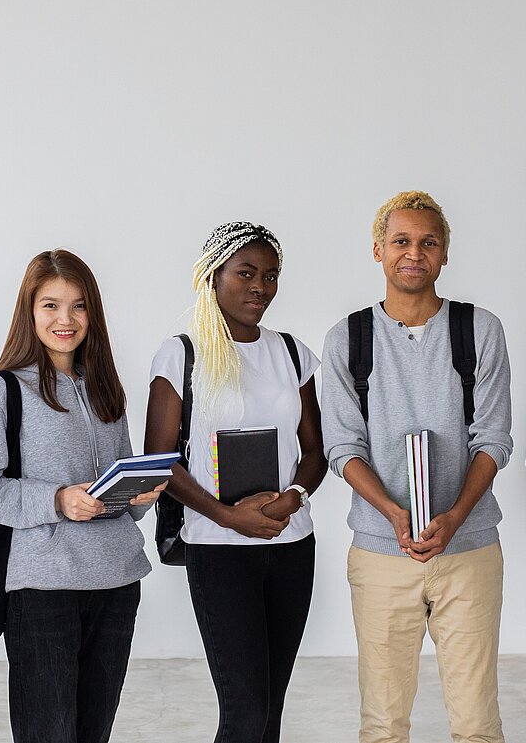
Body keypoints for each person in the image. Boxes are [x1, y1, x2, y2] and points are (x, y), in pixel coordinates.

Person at [320, 191, 512, 743]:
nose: (414, 253)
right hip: (381, 552)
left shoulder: (479, 330)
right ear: (377, 250)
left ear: (445, 253)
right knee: (383, 723)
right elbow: (343, 447)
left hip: (469, 549)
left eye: (428, 242)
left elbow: (493, 439)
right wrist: (392, 513)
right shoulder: (348, 339)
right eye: (400, 241)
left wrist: (454, 517)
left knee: (477, 723)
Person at [0, 249, 166, 743]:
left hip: (117, 581)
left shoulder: (105, 389)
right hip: (42, 588)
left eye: (78, 306)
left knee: (94, 732)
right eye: (50, 305)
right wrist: (56, 499)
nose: (65, 320)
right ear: (29, 312)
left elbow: (116, 483)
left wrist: (138, 497)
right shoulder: (5, 389)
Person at [143, 222, 326, 743]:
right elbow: (158, 460)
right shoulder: (182, 354)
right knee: (244, 715)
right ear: (212, 276)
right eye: (245, 273)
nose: (260, 287)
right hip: (219, 550)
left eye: (270, 276)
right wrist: (227, 516)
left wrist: (292, 499)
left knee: (269, 711)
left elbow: (315, 451)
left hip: (291, 545)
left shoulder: (292, 353)